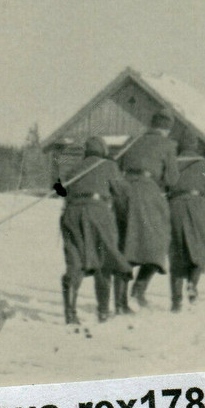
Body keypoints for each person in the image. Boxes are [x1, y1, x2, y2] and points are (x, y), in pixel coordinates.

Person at [54, 136, 132, 325]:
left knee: (75, 261)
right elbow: (123, 192)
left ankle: (70, 315)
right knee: (104, 259)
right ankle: (103, 311)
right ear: (103, 151)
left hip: (71, 215)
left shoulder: (75, 169)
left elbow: (60, 189)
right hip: (98, 213)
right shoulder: (109, 166)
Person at [114, 110, 180, 311]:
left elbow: (116, 165)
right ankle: (139, 289)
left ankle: (120, 301)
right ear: (167, 129)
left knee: (124, 243)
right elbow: (172, 180)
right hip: (147, 192)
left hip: (123, 191)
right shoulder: (168, 145)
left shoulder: (132, 140)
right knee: (159, 242)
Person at [167, 133, 205, 312]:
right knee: (204, 242)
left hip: (174, 207)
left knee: (176, 251)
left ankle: (176, 302)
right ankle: (193, 283)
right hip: (197, 206)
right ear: (196, 147)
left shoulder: (172, 163)